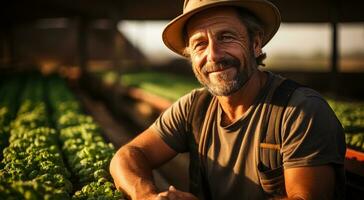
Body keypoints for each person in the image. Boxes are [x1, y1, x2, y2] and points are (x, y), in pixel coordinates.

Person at [110, 0, 346, 199]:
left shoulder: (300, 111)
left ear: (255, 44)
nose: (213, 55)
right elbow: (128, 155)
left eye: (226, 37)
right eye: (199, 45)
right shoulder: (194, 108)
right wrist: (147, 195)